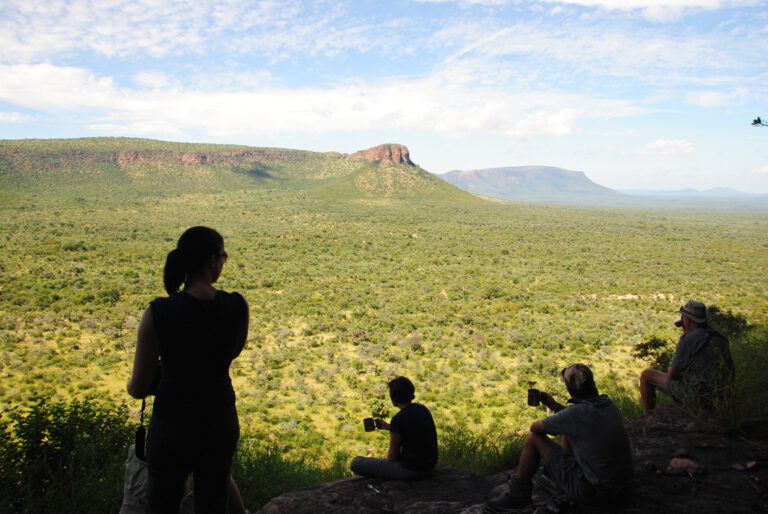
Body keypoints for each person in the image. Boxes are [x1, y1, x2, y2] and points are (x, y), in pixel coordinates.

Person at [127, 226, 249, 514]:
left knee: (163, 505)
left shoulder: (158, 312)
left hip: (172, 425)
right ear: (212, 261)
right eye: (223, 256)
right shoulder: (237, 306)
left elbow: (139, 387)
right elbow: (233, 352)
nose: (223, 261)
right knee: (213, 503)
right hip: (220, 420)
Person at [486, 364, 632, 512]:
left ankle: (518, 495)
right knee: (568, 429)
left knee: (533, 438)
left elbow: (535, 428)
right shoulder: (608, 404)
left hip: (596, 493)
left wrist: (556, 411)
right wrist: (555, 406)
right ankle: (557, 480)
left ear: (569, 390)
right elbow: (578, 418)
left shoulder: (575, 415)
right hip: (622, 487)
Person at [640, 299, 734, 415]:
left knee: (646, 375)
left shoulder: (689, 338)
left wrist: (685, 336)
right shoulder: (720, 336)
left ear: (687, 319)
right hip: (721, 397)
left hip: (699, 397)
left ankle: (647, 417)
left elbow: (672, 374)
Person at [350, 376, 438, 480]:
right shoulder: (423, 409)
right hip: (429, 465)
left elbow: (392, 457)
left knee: (356, 463)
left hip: (412, 470)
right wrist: (388, 427)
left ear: (393, 399)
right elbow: (412, 430)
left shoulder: (398, 419)